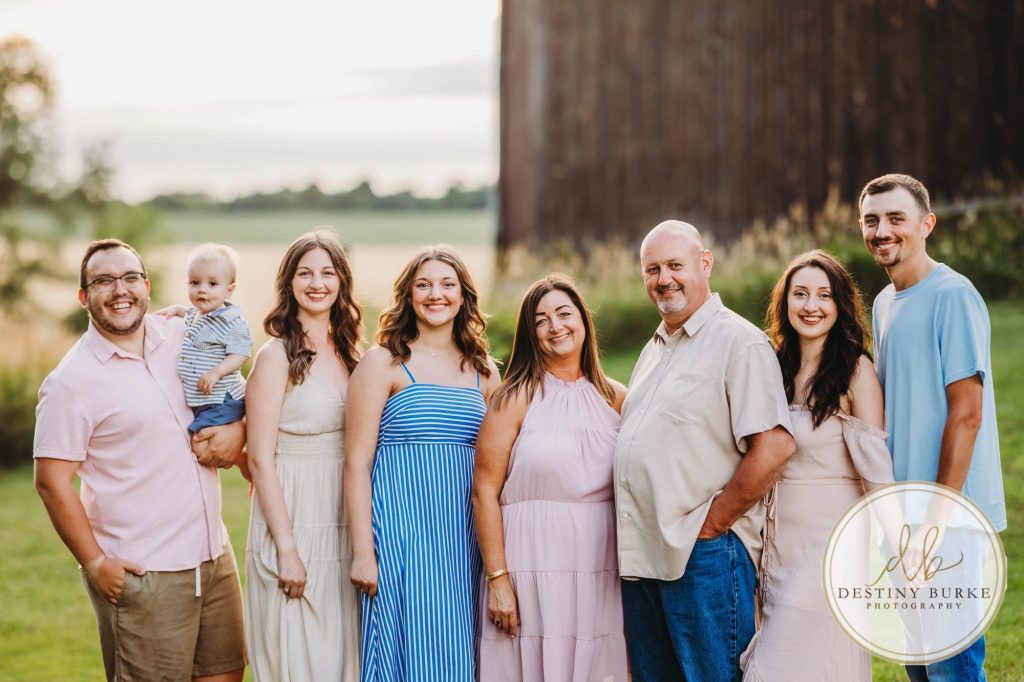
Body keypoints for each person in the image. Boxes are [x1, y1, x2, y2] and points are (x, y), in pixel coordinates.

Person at [33, 238, 247, 682]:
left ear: (146, 286)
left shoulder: (182, 333)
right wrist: (95, 563)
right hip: (145, 573)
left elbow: (231, 380)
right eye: (103, 281)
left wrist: (238, 430)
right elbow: (51, 482)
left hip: (213, 555)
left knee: (225, 674)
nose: (120, 290)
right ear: (83, 296)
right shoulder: (70, 383)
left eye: (130, 277)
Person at [614, 220, 796, 682]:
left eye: (675, 265)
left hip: (704, 557)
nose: (664, 279)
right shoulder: (654, 348)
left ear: (705, 263)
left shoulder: (739, 342)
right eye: (652, 269)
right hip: (646, 556)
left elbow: (774, 446)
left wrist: (712, 525)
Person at [859, 173, 1006, 680]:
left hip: (947, 520)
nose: (882, 231)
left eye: (896, 218)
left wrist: (935, 524)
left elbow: (967, 414)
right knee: (919, 665)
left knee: (952, 669)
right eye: (871, 220)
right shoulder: (884, 303)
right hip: (901, 515)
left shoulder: (953, 295)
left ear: (926, 224)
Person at [345, 245, 500, 681]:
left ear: (463, 296)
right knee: (401, 651)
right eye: (424, 285)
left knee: (460, 650)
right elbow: (356, 464)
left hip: (464, 539)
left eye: (448, 284)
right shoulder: (383, 363)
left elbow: (500, 465)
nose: (436, 294)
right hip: (400, 535)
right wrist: (363, 552)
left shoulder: (485, 371)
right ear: (408, 295)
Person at [739, 250, 894, 681]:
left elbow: (875, 467)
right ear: (785, 302)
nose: (811, 306)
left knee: (775, 666)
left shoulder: (855, 370)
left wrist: (900, 540)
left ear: (840, 304)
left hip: (831, 542)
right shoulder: (772, 365)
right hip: (776, 542)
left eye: (824, 295)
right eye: (801, 294)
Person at [473, 274, 629, 681]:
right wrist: (498, 580)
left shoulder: (617, 398)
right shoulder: (513, 398)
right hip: (531, 567)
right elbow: (484, 492)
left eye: (564, 314)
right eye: (541, 321)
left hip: (600, 567)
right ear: (531, 334)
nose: (555, 326)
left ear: (583, 320)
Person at [244, 230, 363, 681]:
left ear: (341, 281)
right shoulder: (275, 356)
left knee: (343, 659)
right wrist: (287, 549)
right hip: (293, 519)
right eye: (305, 273)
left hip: (344, 522)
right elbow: (259, 459)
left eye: (327, 273)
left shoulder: (353, 354)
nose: (317, 283)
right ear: (288, 283)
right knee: (299, 657)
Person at [176, 243, 252, 434]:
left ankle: (240, 448)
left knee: (198, 439)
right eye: (195, 283)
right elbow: (186, 314)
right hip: (202, 398)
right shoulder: (194, 314)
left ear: (229, 290)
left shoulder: (232, 321)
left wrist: (216, 373)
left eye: (212, 284)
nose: (202, 289)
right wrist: (174, 310)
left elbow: (240, 354)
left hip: (222, 398)